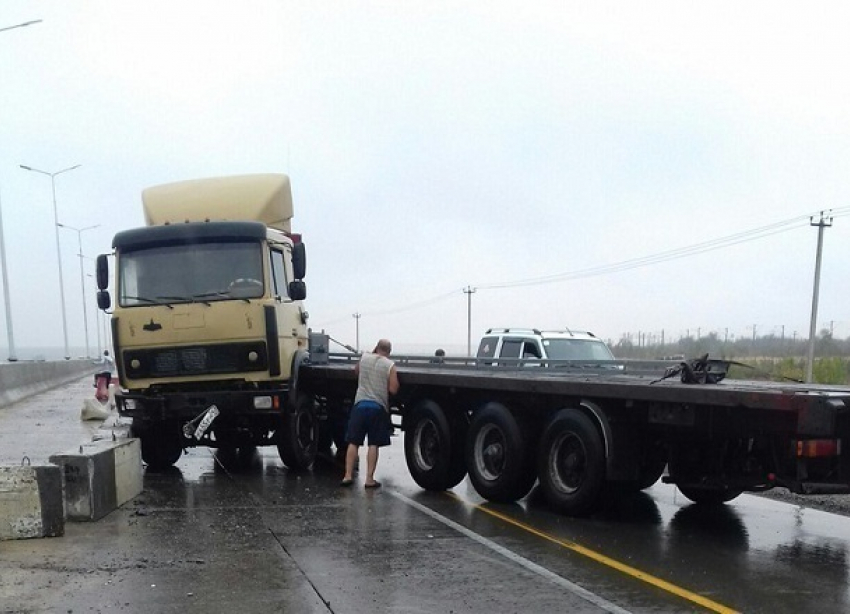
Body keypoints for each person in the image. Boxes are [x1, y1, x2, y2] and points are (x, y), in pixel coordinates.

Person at [340, 338, 399, 489]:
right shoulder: (389, 365)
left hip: (359, 405)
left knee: (353, 442)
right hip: (377, 408)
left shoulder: (365, 358)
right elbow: (393, 389)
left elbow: (356, 371)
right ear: (389, 352)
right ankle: (369, 479)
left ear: (376, 347)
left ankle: (347, 475)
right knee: (373, 444)